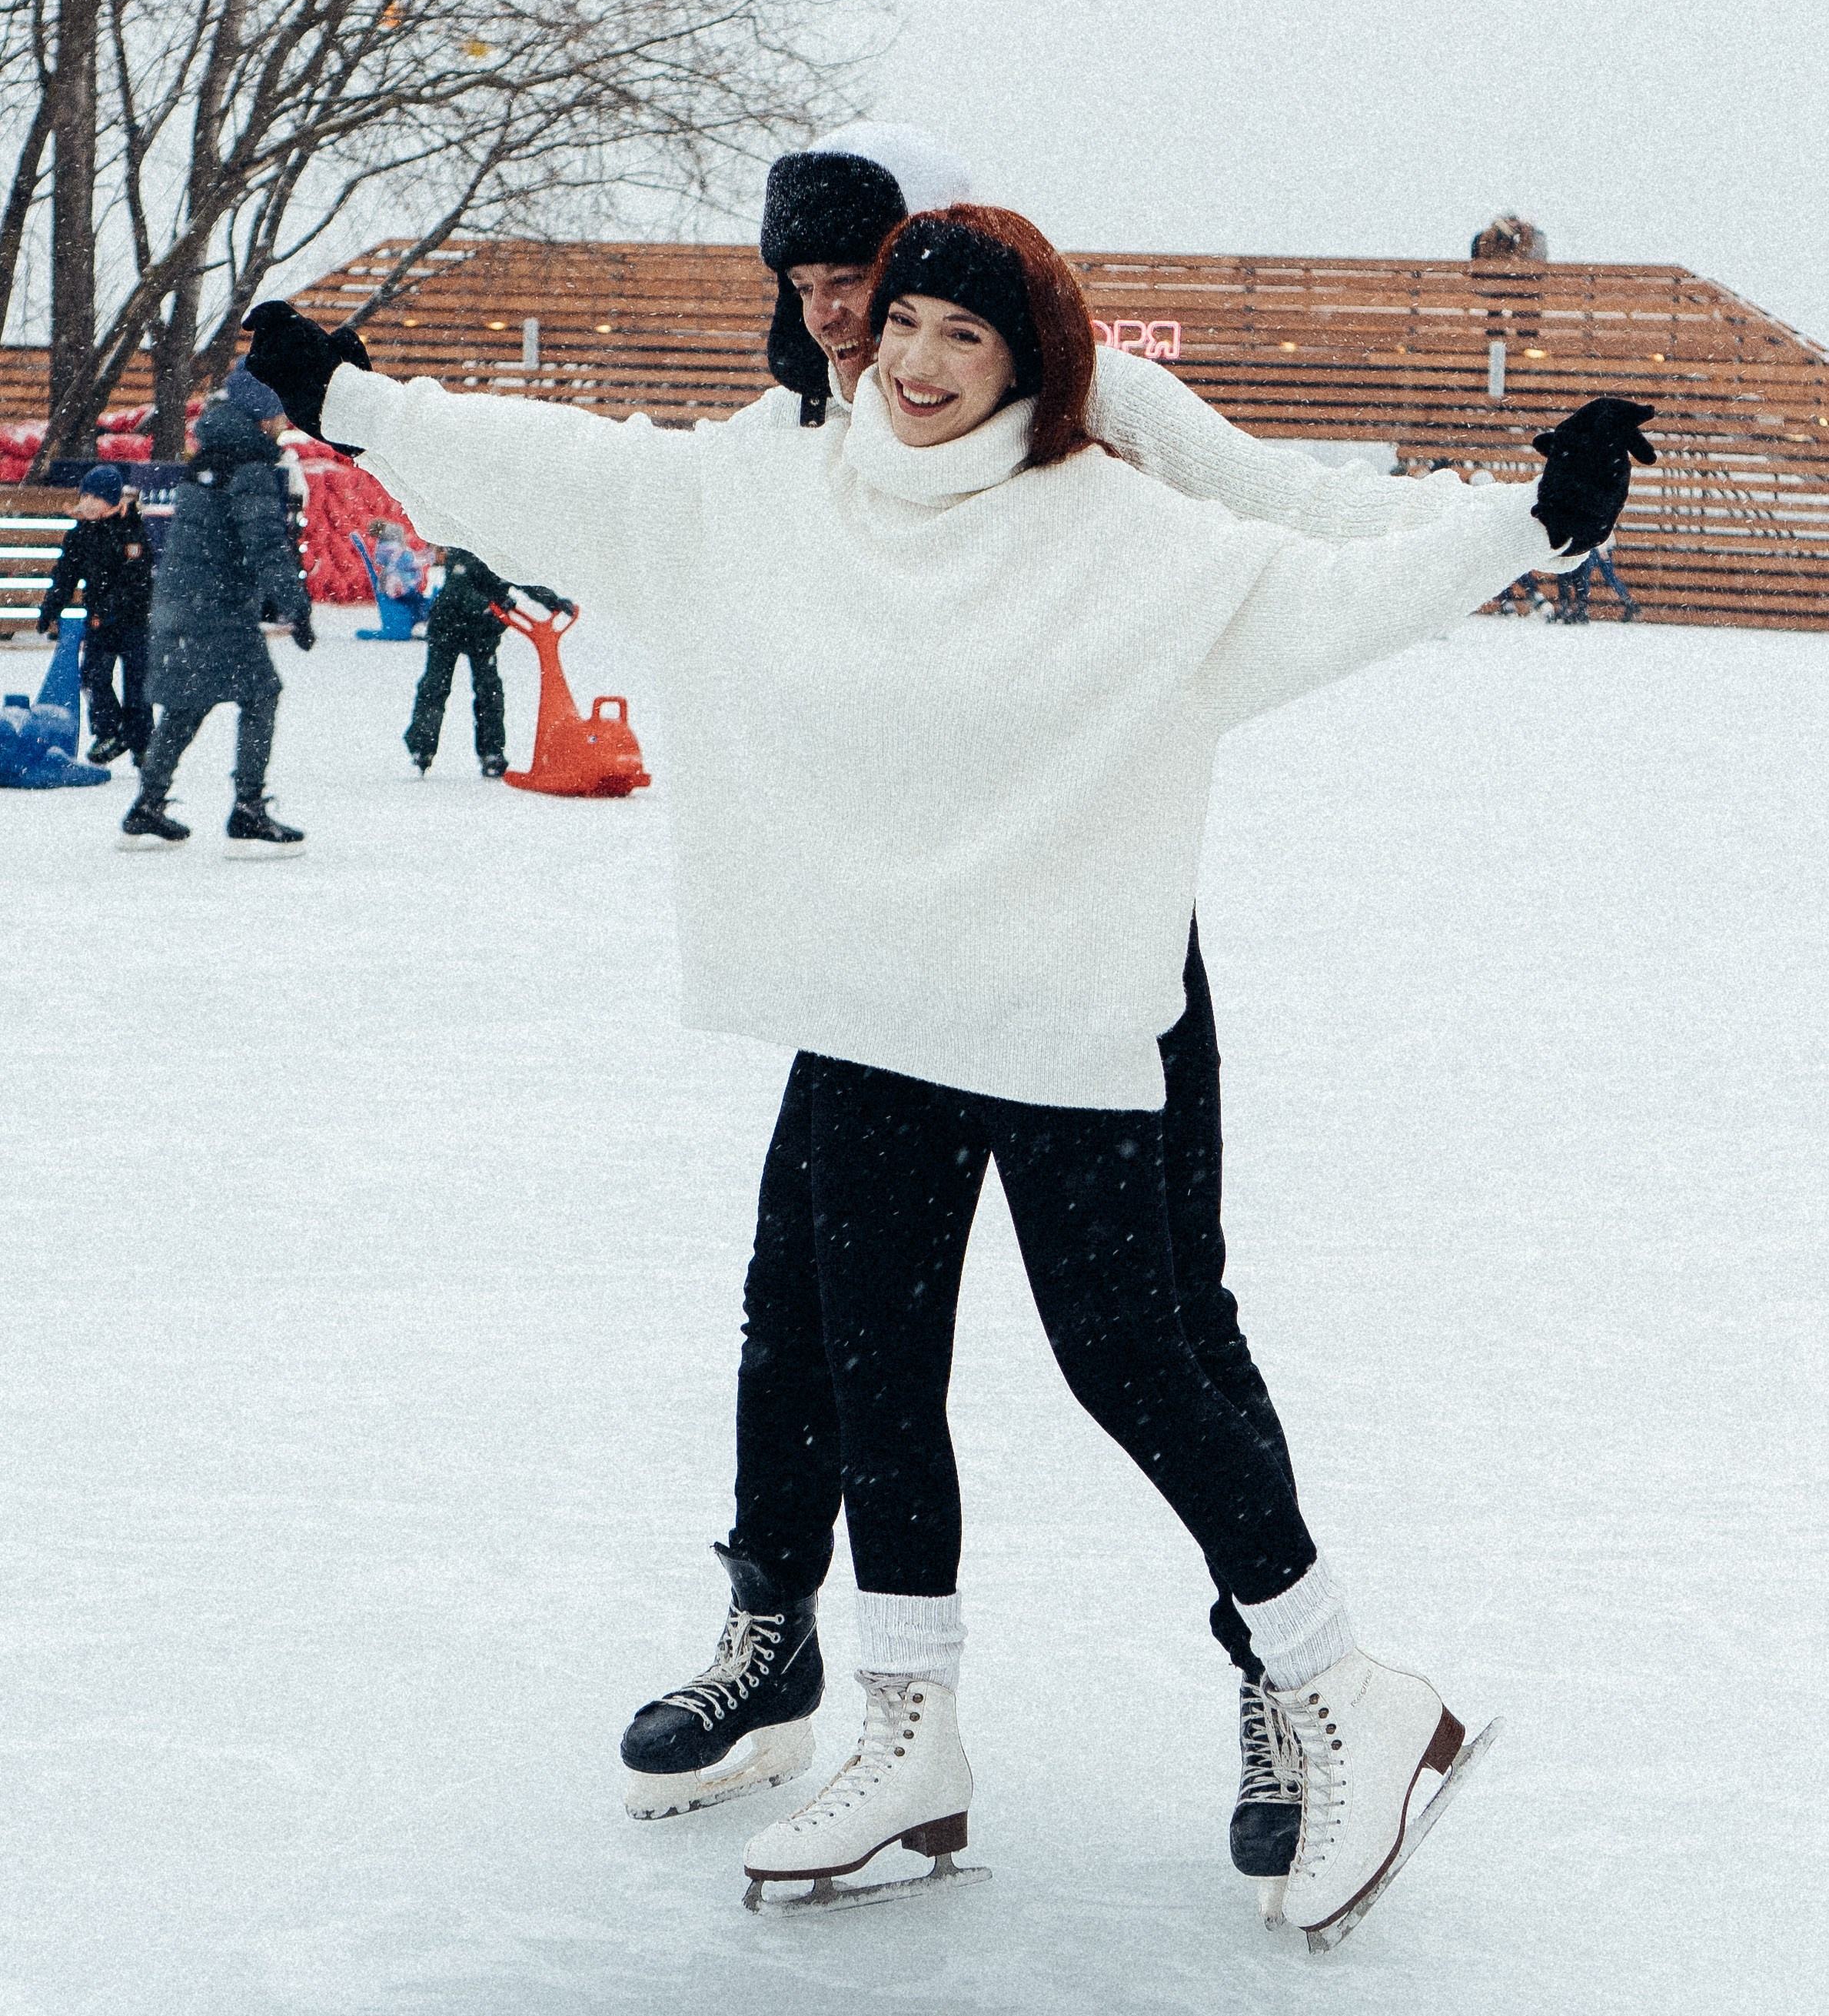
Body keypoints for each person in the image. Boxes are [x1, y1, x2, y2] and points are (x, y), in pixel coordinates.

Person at [244, 221, 1648, 1945]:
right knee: (871, 1359)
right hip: (870, 1004)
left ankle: (1335, 1681)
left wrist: (1525, 524)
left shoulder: (1118, 528)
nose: (908, 358)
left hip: (1058, 1003)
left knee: (1131, 1348)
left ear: (1028, 361)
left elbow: (1314, 584)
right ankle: (907, 1728)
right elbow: (569, 471)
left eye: (956, 335)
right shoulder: (777, 491)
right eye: (897, 319)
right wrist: (357, 402)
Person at [614, 128, 1505, 1894]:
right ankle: (775, 1631)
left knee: (1154, 1318)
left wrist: (1497, 525)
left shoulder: (1081, 406)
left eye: (865, 278)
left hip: (1094, 944)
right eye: (806, 288)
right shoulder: (793, 435)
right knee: (808, 1300)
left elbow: (1293, 521)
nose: (840, 315)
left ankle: (1289, 1677)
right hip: (878, 953)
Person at [120, 364, 314, 854]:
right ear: (259, 415)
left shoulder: (208, 458)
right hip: (217, 610)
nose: (283, 423)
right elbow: (265, 546)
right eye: (279, 413)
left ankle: (147, 805)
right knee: (262, 695)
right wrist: (296, 607)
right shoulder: (248, 468)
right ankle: (248, 808)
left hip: (180, 602)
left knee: (187, 705)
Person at [405, 547, 574, 777]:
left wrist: (553, 602)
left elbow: (526, 582)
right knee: (436, 685)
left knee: (489, 690)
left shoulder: (503, 552)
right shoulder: (465, 550)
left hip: (483, 633)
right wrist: (488, 603)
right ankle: (422, 747)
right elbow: (458, 589)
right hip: (448, 627)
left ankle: (492, 752)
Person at [37, 461, 155, 764]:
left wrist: (118, 604)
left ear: (111, 501)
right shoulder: (81, 534)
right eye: (85, 496)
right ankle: (108, 730)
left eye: (96, 498)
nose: (88, 503)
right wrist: (51, 608)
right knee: (92, 676)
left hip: (134, 621)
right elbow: (65, 575)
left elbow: (137, 578)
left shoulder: (131, 532)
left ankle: (141, 741)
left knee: (138, 683)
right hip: (99, 620)